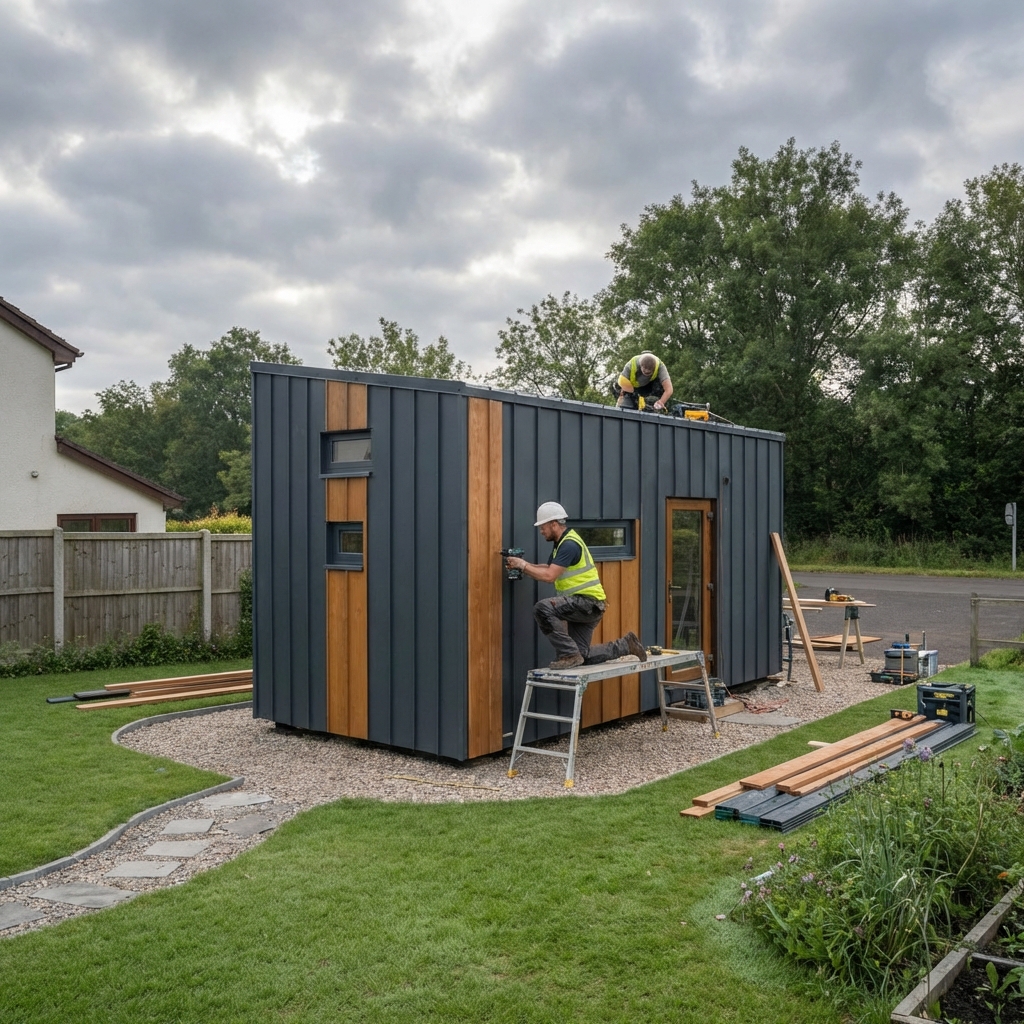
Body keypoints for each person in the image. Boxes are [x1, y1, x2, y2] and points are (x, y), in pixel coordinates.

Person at [504, 501, 648, 669]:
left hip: (587, 602)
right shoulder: (562, 543)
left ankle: (569, 654)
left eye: (543, 527)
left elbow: (549, 576)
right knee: (582, 656)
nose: (541, 531)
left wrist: (523, 566)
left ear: (554, 524)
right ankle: (626, 645)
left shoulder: (569, 545)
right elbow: (549, 568)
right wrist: (523, 565)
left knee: (542, 609)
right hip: (589, 605)